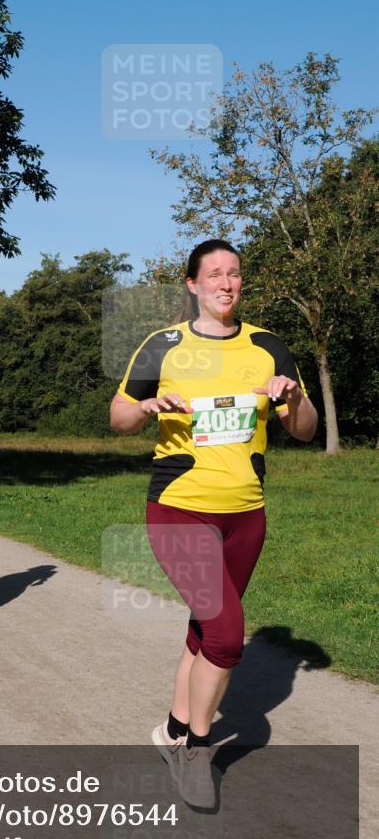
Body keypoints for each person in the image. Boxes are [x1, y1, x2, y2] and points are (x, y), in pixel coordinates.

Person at [110, 239, 317, 808]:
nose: (227, 283)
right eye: (215, 275)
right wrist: (145, 408)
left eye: (235, 274)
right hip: (179, 507)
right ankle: (197, 749)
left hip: (247, 513)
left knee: (205, 628)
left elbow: (303, 429)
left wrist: (293, 398)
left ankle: (171, 730)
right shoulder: (163, 346)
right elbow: (119, 414)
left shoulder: (269, 347)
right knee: (227, 636)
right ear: (193, 285)